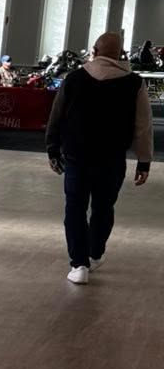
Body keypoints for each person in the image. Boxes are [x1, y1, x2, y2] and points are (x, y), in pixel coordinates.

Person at [46, 29, 152, 285]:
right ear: (121, 54)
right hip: (112, 159)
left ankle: (78, 265)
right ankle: (94, 254)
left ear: (94, 52)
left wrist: (52, 148)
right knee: (104, 208)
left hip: (76, 156)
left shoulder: (74, 78)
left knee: (75, 207)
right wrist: (144, 161)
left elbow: (56, 115)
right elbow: (143, 125)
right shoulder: (134, 83)